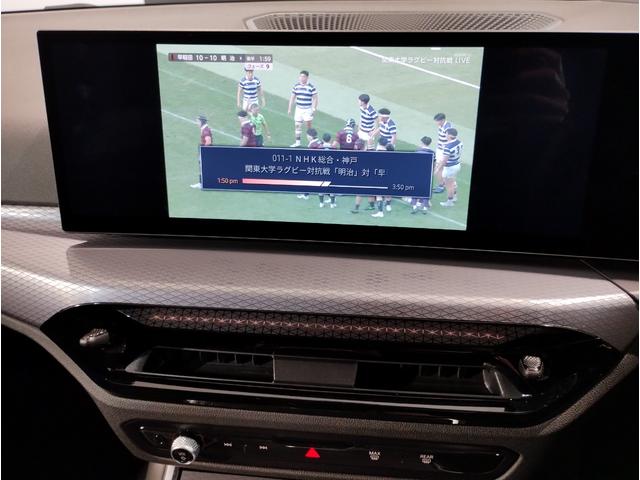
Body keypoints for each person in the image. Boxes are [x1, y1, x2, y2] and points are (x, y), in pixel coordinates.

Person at [287, 70, 318, 147]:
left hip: (307, 109)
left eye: (303, 76)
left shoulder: (311, 87)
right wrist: (289, 108)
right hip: (299, 109)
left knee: (309, 127)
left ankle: (311, 143)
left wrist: (314, 109)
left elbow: (315, 98)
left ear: (307, 77)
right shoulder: (296, 86)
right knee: (297, 125)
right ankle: (297, 143)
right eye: (300, 76)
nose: (301, 78)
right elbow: (292, 98)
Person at [410, 136, 435, 214]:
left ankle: (414, 206)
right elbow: (433, 164)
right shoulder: (432, 152)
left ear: (422, 142)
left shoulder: (417, 151)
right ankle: (425, 208)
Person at [439, 128, 463, 207]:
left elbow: (444, 160)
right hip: (457, 164)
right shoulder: (459, 142)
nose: (445, 135)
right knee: (452, 181)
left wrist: (438, 168)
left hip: (450, 167)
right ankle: (454, 197)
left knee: (449, 185)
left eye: (446, 134)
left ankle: (450, 202)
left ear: (449, 135)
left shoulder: (448, 147)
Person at [433, 113, 453, 194]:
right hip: (439, 149)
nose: (436, 123)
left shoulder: (447, 128)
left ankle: (442, 186)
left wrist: (445, 149)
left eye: (438, 121)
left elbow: (450, 141)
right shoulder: (440, 126)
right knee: (438, 168)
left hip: (443, 151)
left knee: (438, 168)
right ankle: (441, 184)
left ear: (443, 120)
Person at [190, 114, 212, 189]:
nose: (196, 123)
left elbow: (208, 141)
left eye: (197, 121)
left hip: (206, 152)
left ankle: (202, 184)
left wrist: (204, 152)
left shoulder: (205, 130)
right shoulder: (204, 129)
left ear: (201, 122)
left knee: (203, 168)